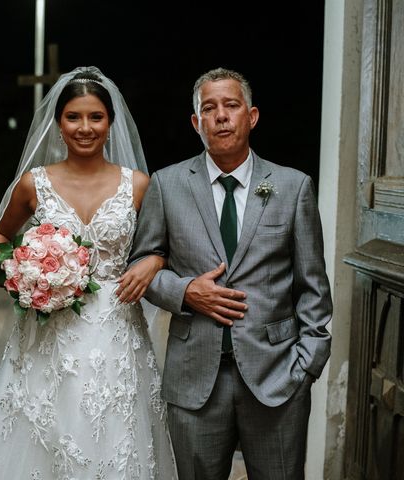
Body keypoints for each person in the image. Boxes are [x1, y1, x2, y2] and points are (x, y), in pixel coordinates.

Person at [0, 67, 178, 479]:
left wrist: (156, 260)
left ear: (110, 123)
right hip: (48, 333)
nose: (85, 127)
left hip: (116, 330)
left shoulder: (139, 186)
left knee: (113, 436)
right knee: (43, 434)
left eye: (95, 117)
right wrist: (27, 272)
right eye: (74, 117)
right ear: (58, 123)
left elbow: (164, 246)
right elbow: (0, 236)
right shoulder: (33, 184)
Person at [129, 67, 333, 479]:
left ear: (251, 116)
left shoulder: (293, 187)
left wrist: (306, 367)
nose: (221, 115)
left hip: (278, 377)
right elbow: (141, 266)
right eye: (209, 108)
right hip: (194, 379)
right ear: (196, 122)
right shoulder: (167, 185)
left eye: (231, 105)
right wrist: (186, 291)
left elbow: (313, 286)